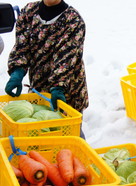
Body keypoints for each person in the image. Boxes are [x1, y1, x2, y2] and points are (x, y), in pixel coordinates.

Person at [4, 0, 88, 139]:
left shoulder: (73, 20)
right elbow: (22, 46)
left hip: (67, 88)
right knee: (40, 131)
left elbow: (66, 58)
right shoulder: (29, 12)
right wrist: (17, 72)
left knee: (67, 132)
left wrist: (58, 86)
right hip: (39, 84)